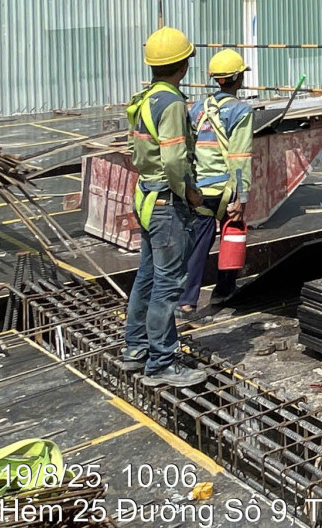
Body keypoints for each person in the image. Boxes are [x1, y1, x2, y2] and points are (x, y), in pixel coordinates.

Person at [121, 27, 209, 388]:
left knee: (146, 276)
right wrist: (188, 192)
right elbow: (173, 159)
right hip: (165, 202)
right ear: (183, 65)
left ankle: (136, 348)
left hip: (146, 195)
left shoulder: (146, 98)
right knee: (167, 285)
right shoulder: (171, 102)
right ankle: (161, 363)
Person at [180, 49, 255, 320]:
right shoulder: (241, 111)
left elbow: (189, 149)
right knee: (232, 236)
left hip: (200, 190)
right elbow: (240, 157)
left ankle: (186, 303)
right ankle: (223, 291)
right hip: (226, 190)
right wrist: (241, 198)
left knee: (198, 246)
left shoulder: (198, 108)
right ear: (238, 78)